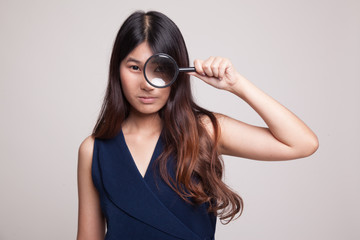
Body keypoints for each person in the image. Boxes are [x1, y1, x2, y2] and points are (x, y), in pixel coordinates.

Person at [76, 10, 318, 240]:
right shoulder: (94, 150)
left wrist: (237, 85)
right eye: (135, 68)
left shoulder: (203, 130)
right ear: (116, 70)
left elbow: (302, 143)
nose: (147, 84)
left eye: (159, 69)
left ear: (176, 72)